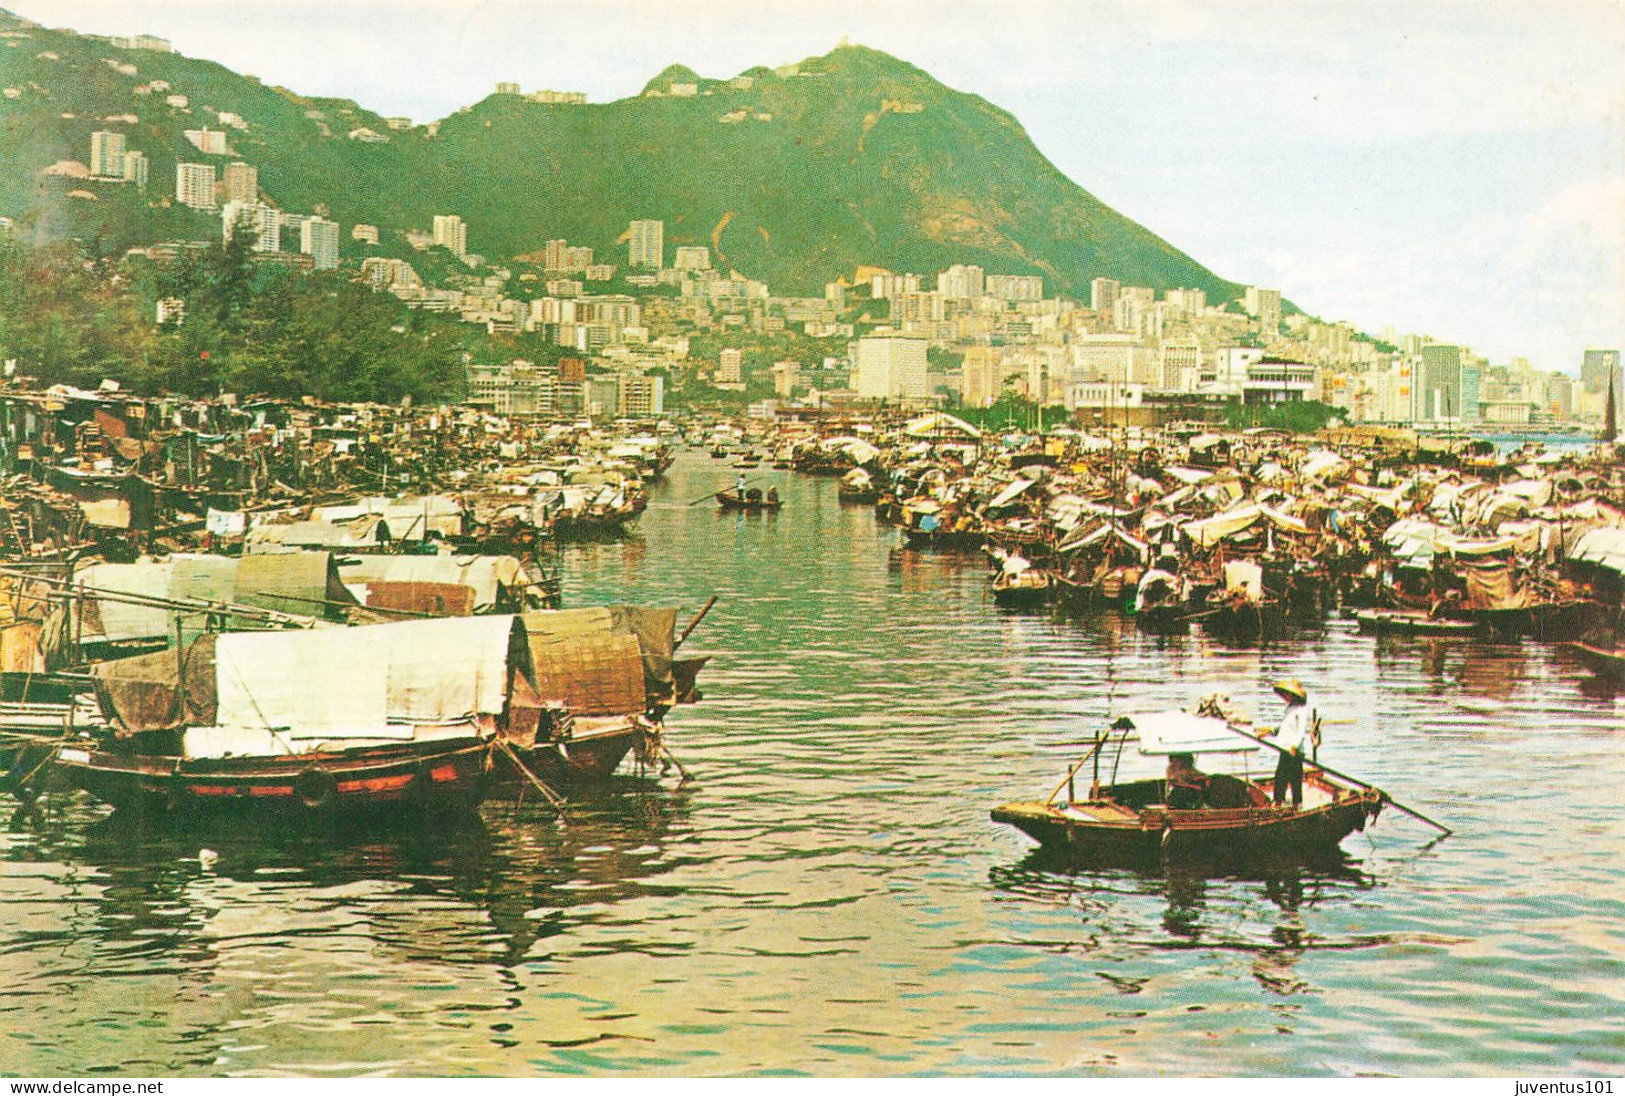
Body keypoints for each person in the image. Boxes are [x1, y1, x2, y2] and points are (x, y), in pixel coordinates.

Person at [1262, 679, 1316, 808]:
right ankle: (1277, 801)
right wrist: (1270, 731)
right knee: (1280, 776)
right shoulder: (1289, 708)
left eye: (1288, 694)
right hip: (1285, 748)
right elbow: (1284, 726)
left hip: (1294, 750)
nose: (1286, 697)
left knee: (1295, 778)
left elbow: (1301, 730)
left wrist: (1295, 746)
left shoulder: (1301, 710)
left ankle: (1297, 803)